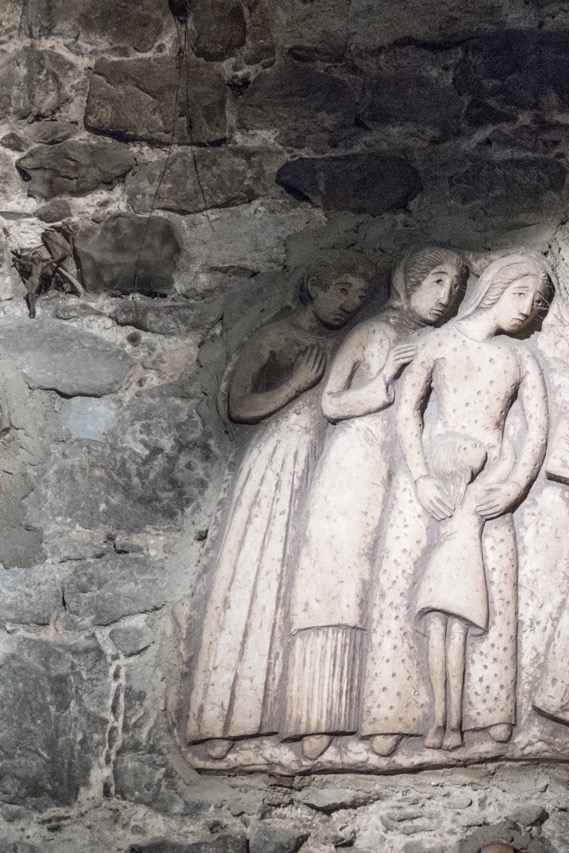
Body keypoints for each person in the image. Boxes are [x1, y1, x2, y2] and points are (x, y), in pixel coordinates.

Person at [280, 247, 468, 761]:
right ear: (408, 282)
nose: (446, 295)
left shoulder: (440, 342)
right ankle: (316, 717)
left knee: (395, 590)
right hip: (355, 467)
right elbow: (330, 402)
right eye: (436, 281)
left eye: (454, 286)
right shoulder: (371, 333)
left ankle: (387, 716)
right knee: (337, 583)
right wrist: (383, 380)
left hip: (406, 473)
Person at [185, 254, 373, 760]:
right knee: (257, 577)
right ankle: (226, 717)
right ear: (315, 285)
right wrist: (294, 386)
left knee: (310, 588)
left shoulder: (348, 344)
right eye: (342, 288)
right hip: (278, 462)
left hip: (328, 467)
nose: (351, 302)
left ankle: (305, 714)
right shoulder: (277, 336)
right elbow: (239, 405)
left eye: (359, 294)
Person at [395, 252, 552, 750]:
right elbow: (407, 413)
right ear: (496, 288)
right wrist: (420, 477)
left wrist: (514, 487)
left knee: (498, 598)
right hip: (439, 486)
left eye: (539, 302)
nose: (529, 309)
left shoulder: (521, 357)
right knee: (427, 596)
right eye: (521, 294)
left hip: (493, 488)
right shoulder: (439, 343)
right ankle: (411, 714)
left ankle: (491, 712)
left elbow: (537, 431)